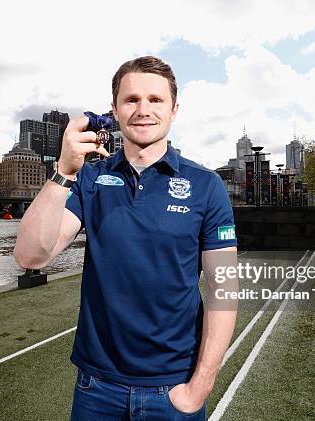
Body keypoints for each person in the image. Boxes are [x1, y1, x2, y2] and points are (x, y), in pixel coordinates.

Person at [14, 56, 238, 420]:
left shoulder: (206, 186)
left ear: (174, 110)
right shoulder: (90, 180)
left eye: (155, 99)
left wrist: (202, 384)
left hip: (175, 387)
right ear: (115, 111)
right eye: (131, 100)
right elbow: (30, 257)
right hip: (97, 389)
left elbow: (224, 288)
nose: (142, 110)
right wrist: (64, 171)